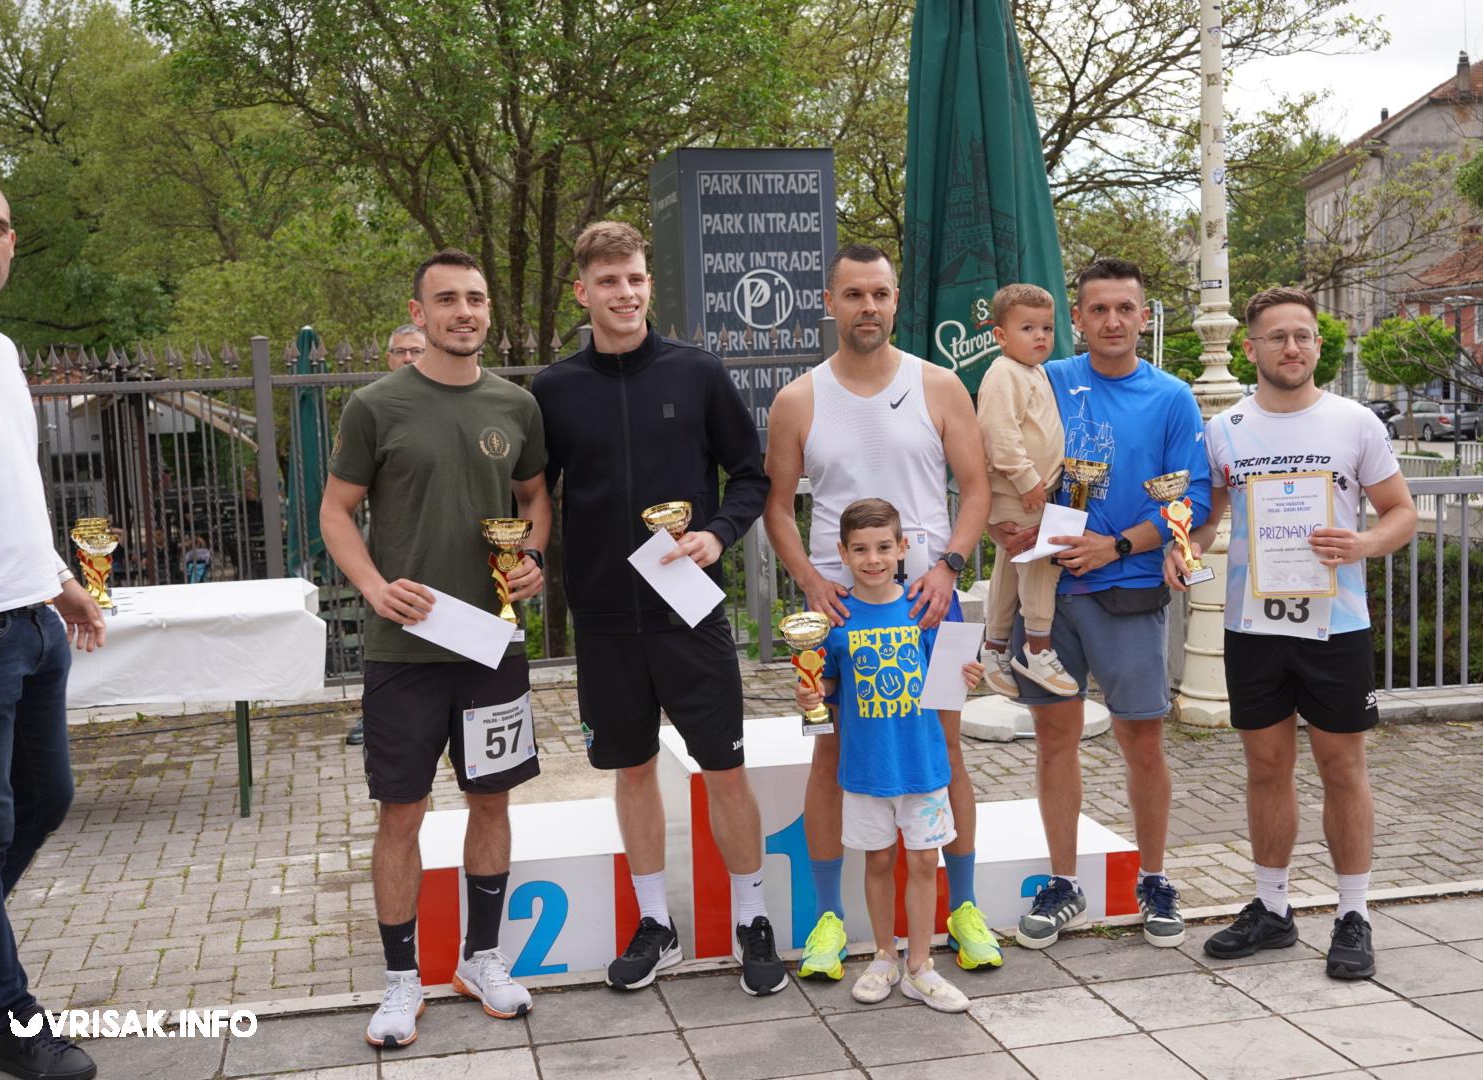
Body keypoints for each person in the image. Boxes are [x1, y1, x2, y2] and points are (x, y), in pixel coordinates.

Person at [531, 221, 786, 997]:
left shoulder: (697, 372)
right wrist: (533, 560)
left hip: (690, 612)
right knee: (633, 770)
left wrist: (715, 536)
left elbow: (752, 476)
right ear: (583, 291)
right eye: (609, 282)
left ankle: (751, 921)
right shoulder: (552, 389)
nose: (626, 293)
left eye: (636, 279)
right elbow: (535, 496)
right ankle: (656, 924)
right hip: (605, 616)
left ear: (650, 285)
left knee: (724, 769)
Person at [322, 248, 553, 1048]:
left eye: (477, 299)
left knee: (493, 801)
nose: (465, 312)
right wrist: (373, 585)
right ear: (418, 314)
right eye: (447, 299)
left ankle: (481, 959)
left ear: (490, 312)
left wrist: (535, 559)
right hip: (403, 649)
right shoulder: (376, 406)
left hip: (494, 648)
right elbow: (335, 511)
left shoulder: (516, 405)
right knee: (402, 812)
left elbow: (534, 499)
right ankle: (400, 980)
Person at [763, 243, 998, 979]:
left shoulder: (940, 386)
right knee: (830, 751)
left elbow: (978, 489)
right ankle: (831, 920)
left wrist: (950, 564)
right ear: (829, 303)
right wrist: (808, 578)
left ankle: (961, 907)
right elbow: (775, 508)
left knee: (948, 748)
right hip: (840, 609)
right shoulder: (798, 399)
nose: (869, 307)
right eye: (855, 294)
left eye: (882, 294)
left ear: (898, 303)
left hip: (933, 599)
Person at [1167, 285, 1414, 979]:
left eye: (1303, 335)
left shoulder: (1355, 422)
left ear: (1317, 344)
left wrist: (1363, 544)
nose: (1292, 347)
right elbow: (1207, 517)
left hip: (1335, 626)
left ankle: (1352, 914)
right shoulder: (1225, 430)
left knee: (1343, 768)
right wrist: (1183, 551)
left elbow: (1401, 512)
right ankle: (1272, 909)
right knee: (1267, 769)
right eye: (1277, 337)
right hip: (1253, 624)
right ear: (1251, 348)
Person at [991, 258, 1210, 952]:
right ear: (1077, 320)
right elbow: (996, 453)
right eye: (1098, 310)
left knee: (1140, 740)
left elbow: (1191, 499)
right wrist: (1003, 519)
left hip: (1127, 590)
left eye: (1126, 308)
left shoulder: (1172, 396)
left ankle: (1153, 877)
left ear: (1144, 317)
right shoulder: (1044, 379)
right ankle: (1062, 884)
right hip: (1046, 596)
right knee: (1054, 743)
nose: (1112, 321)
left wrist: (1114, 547)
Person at [0, 172, 105, 1080]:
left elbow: (14, 486)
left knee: (47, 800)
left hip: (34, 625)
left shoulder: (2, 350)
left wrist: (63, 580)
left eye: (0, 227)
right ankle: (13, 1020)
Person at [794, 499, 986, 1012]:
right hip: (865, 769)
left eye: (883, 547)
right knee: (878, 860)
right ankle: (884, 955)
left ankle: (920, 966)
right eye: (860, 549)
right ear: (842, 553)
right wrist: (811, 694)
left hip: (922, 766)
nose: (873, 558)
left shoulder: (924, 609)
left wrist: (967, 678)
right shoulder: (834, 619)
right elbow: (827, 686)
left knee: (923, 861)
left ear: (903, 548)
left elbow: (948, 683)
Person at [974, 283, 1076, 697]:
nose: (1040, 337)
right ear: (1000, 336)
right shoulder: (1003, 373)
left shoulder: (1031, 372)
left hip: (1032, 490)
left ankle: (994, 648)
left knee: (1010, 572)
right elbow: (999, 435)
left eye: (1047, 328)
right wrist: (1026, 479)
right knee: (1040, 569)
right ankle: (1037, 649)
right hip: (1023, 492)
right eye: (1028, 327)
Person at [345, 323, 430, 749]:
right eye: (402, 352)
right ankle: (371, 714)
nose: (410, 359)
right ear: (388, 359)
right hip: (392, 554)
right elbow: (338, 502)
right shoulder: (371, 408)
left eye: (418, 350)